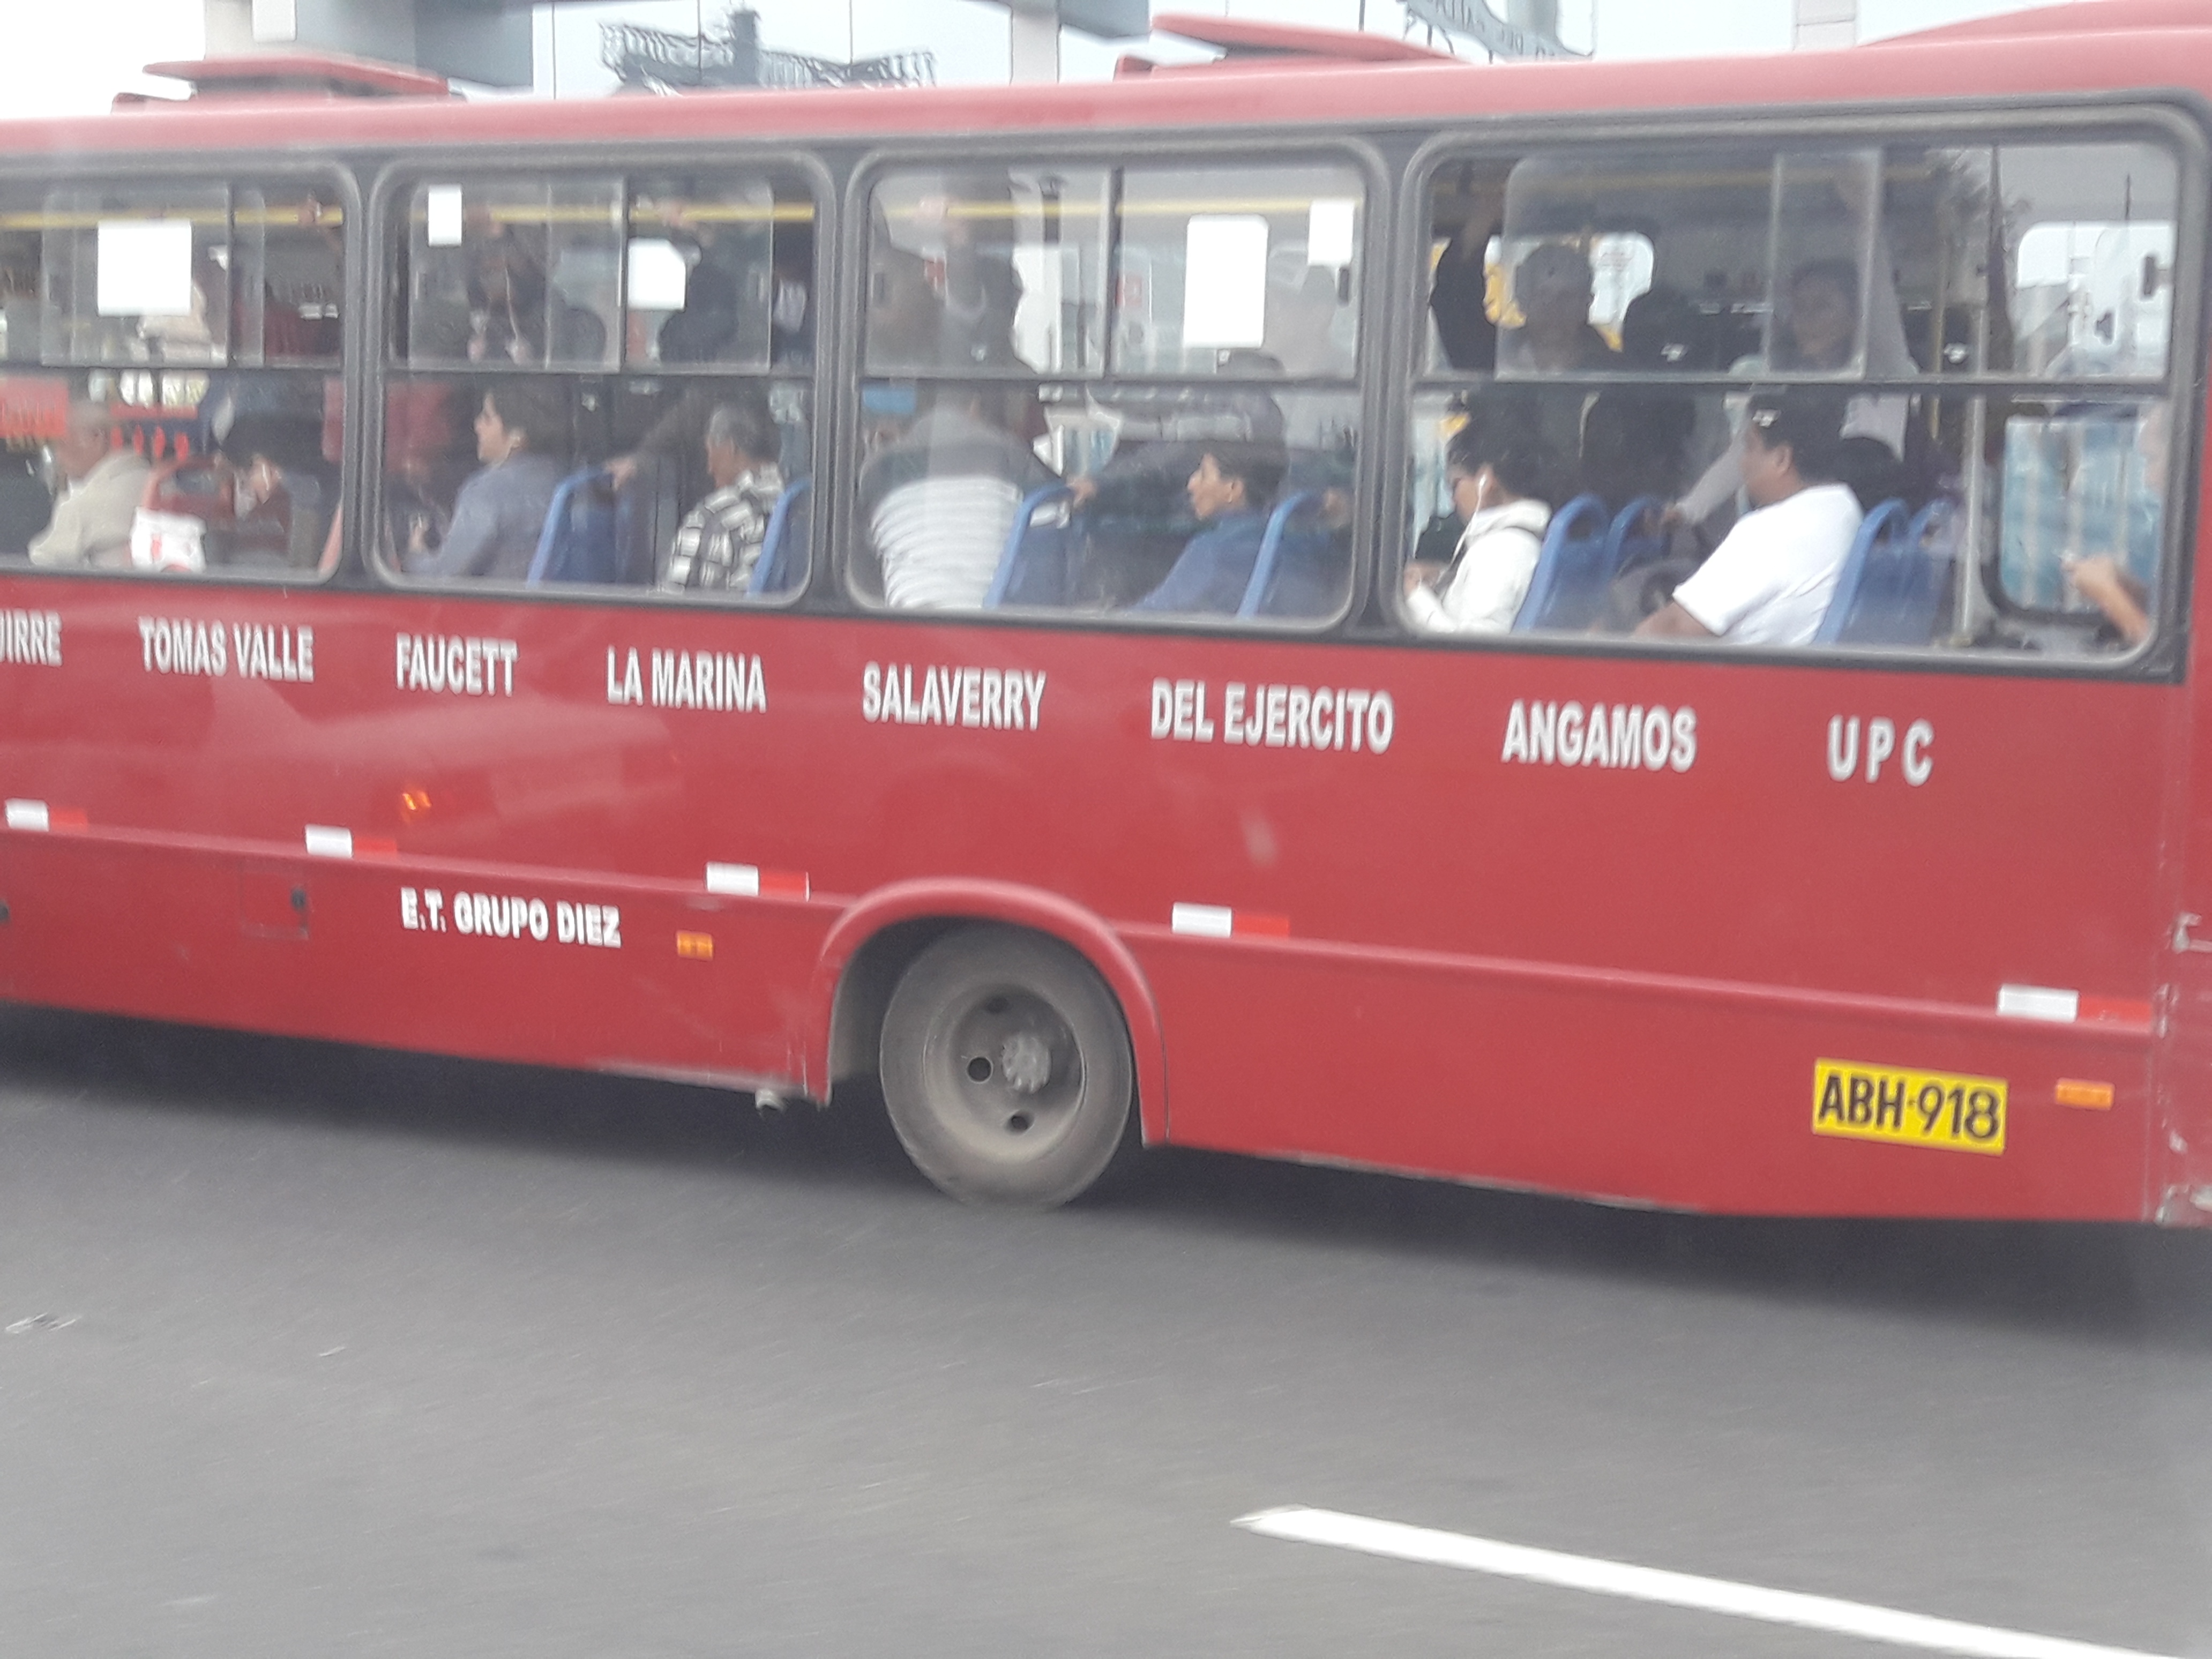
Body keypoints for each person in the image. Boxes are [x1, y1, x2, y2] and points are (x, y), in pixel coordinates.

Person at [1671, 253, 1914, 525]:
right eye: (1799, 308)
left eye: (1822, 307)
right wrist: (1688, 510)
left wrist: (1867, 220)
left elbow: (1885, 314)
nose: (1806, 320)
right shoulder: (1783, 386)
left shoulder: (1881, 383)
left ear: (1854, 318)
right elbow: (1743, 453)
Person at [1636, 391, 1862, 646]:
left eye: (1750, 447)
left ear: (1781, 459)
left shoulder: (1769, 532)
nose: (1743, 463)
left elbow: (1669, 629)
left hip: (1741, 679)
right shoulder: (1844, 507)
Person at [860, 386, 1056, 610]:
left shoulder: (877, 470)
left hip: (905, 617)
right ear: (974, 407)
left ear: (919, 410)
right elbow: (1050, 532)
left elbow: (863, 550)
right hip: (991, 616)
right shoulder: (1011, 455)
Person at [403, 383, 567, 582]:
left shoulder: (487, 492)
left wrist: (415, 553)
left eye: (487, 419)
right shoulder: (560, 475)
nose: (477, 425)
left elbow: (442, 576)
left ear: (517, 437)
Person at [1403, 421, 1556, 634]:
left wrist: (1414, 597)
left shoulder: (1499, 553)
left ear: (1486, 478)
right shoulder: (1515, 541)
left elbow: (1472, 650)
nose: (1453, 500)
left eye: (1455, 485)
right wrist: (1440, 575)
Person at [1129, 438, 1311, 617]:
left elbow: (1152, 615)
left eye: (1203, 474)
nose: (1192, 483)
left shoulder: (1211, 550)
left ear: (1233, 489)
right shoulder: (1294, 541)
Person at [660, 399, 784, 593]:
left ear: (731, 448)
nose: (709, 469)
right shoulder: (797, 502)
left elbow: (669, 605)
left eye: (710, 453)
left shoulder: (713, 518)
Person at [28, 401, 150, 567]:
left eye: (62, 442)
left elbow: (39, 566)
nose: (57, 455)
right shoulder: (155, 481)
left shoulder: (81, 509)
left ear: (96, 438)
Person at [1496, 242, 1620, 373]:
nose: (1554, 310)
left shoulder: (1618, 373)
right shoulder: (1493, 365)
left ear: (1586, 304)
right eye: (1543, 296)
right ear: (1523, 301)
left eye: (1567, 297)